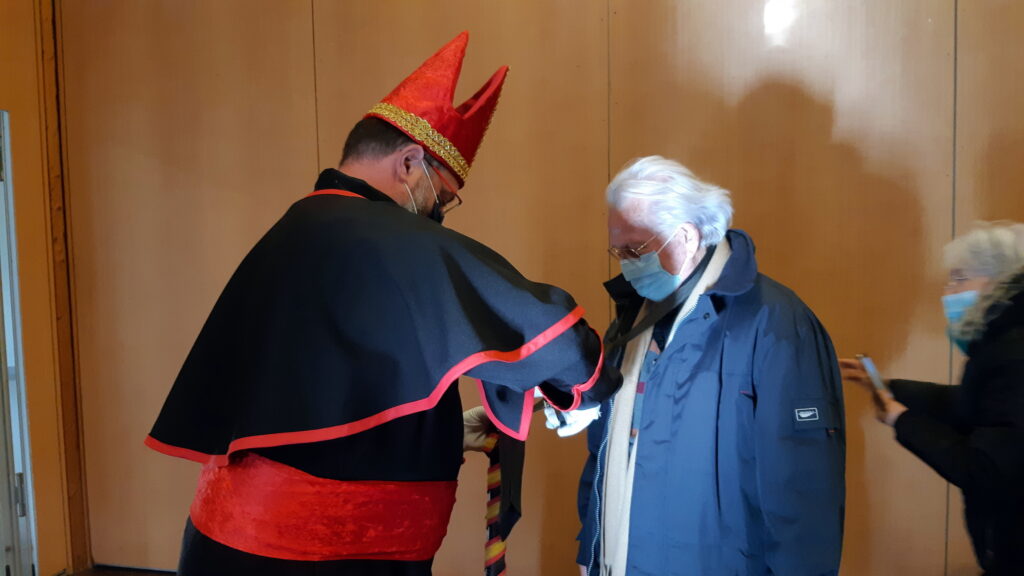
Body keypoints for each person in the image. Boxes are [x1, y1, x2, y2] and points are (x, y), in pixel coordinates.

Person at [145, 32, 619, 576]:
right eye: (442, 197)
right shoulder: (387, 238)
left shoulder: (299, 227)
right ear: (410, 162)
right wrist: (585, 389)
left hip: (224, 539)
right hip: (327, 556)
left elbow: (334, 388)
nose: (441, 213)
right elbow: (556, 336)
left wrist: (439, 426)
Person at [575, 156, 846, 576]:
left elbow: (803, 492)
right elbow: (604, 450)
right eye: (619, 250)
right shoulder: (633, 318)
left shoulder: (776, 324)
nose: (626, 263)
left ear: (685, 235)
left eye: (636, 249)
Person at [840, 222, 1024, 575]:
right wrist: (885, 385)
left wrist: (902, 420)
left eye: (960, 279)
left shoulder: (1015, 353)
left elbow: (983, 469)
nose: (948, 293)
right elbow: (975, 408)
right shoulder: (1002, 345)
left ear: (999, 282)